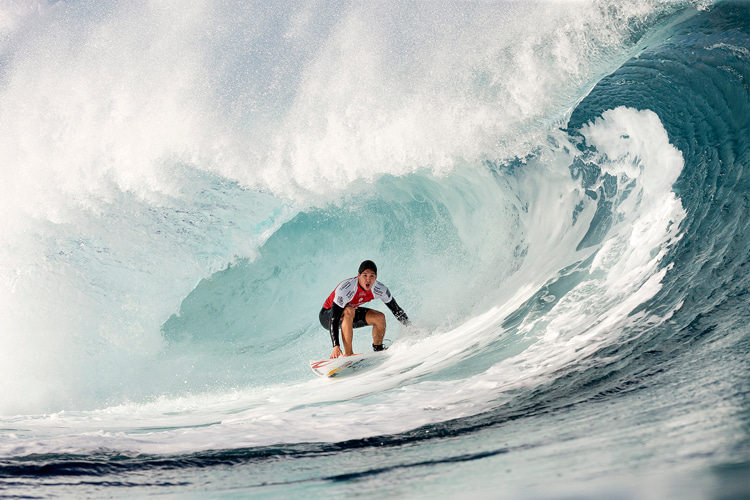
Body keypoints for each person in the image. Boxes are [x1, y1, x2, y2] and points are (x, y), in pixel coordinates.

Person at [319, 260, 409, 359]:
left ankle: (378, 349)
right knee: (349, 310)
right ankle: (349, 354)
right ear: (358, 275)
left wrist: (410, 327)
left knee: (379, 317)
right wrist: (336, 346)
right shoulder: (346, 288)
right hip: (327, 316)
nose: (368, 279)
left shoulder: (380, 289)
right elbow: (334, 319)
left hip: (349, 316)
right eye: (365, 275)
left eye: (372, 276)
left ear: (376, 277)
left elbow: (396, 309)